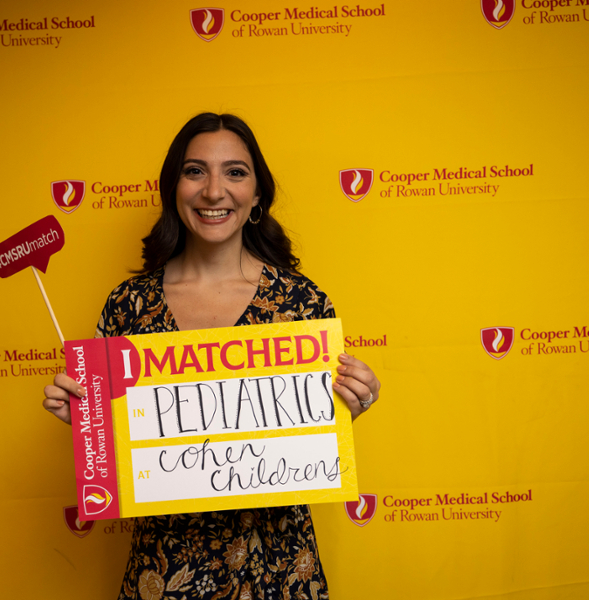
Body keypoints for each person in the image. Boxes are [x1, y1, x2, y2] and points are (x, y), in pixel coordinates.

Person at [43, 113, 380, 600]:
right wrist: (84, 421)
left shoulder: (301, 304)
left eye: (235, 172)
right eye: (195, 170)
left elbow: (314, 441)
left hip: (277, 571)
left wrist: (354, 400)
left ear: (258, 193)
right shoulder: (128, 306)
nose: (214, 191)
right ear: (173, 188)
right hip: (165, 572)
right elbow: (118, 452)